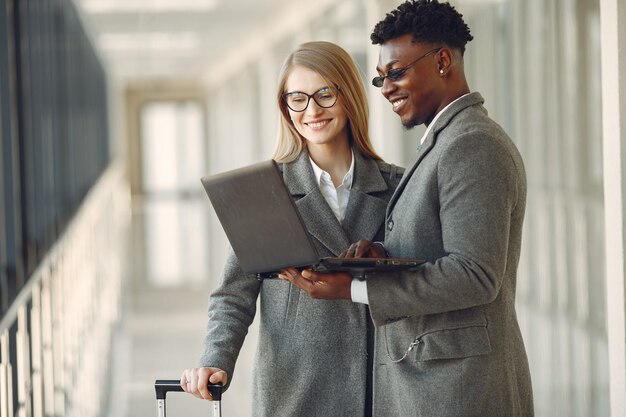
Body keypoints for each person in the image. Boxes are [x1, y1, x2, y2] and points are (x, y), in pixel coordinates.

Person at [280, 1, 534, 416]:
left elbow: (475, 275)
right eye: (381, 79)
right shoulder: (444, 142)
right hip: (434, 385)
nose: (387, 88)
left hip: (459, 392)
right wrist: (384, 255)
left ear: (443, 61)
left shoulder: (472, 145)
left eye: (396, 73)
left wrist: (356, 289)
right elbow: (442, 248)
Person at [180, 41, 404, 417]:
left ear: (348, 96)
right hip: (294, 390)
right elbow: (234, 294)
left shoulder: (398, 186)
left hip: (381, 389)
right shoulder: (265, 191)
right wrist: (216, 357)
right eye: (296, 98)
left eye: (325, 94)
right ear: (285, 107)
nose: (312, 110)